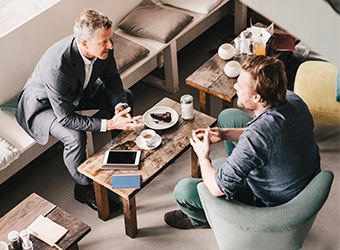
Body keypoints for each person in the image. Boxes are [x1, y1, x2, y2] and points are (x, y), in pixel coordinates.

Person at [164, 55, 321, 229]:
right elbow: (270, 135)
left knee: (184, 190)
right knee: (228, 117)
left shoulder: (256, 137)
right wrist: (224, 134)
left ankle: (205, 219)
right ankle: (237, 171)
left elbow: (217, 188)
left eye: (240, 84)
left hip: (273, 206)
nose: (235, 86)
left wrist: (203, 156)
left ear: (257, 98)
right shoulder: (293, 100)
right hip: (300, 185)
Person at [16, 9, 142, 211]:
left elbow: (112, 80)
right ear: (84, 44)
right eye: (104, 42)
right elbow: (65, 118)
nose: (110, 45)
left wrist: (120, 108)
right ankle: (83, 188)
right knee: (75, 135)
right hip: (43, 105)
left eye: (110, 39)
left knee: (126, 97)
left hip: (76, 91)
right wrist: (109, 123)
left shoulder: (103, 45)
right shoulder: (57, 66)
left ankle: (119, 155)